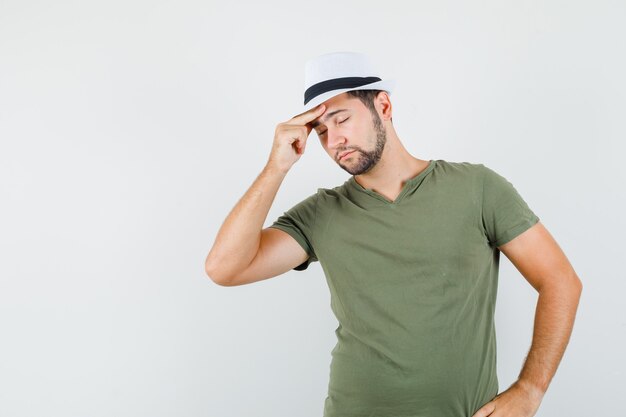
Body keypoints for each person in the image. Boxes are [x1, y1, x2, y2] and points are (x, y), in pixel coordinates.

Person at [205, 52, 583, 417]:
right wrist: (276, 167)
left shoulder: (478, 188)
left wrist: (531, 390)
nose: (333, 140)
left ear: (383, 107)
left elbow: (560, 280)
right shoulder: (320, 214)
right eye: (320, 130)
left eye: (341, 120)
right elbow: (224, 269)